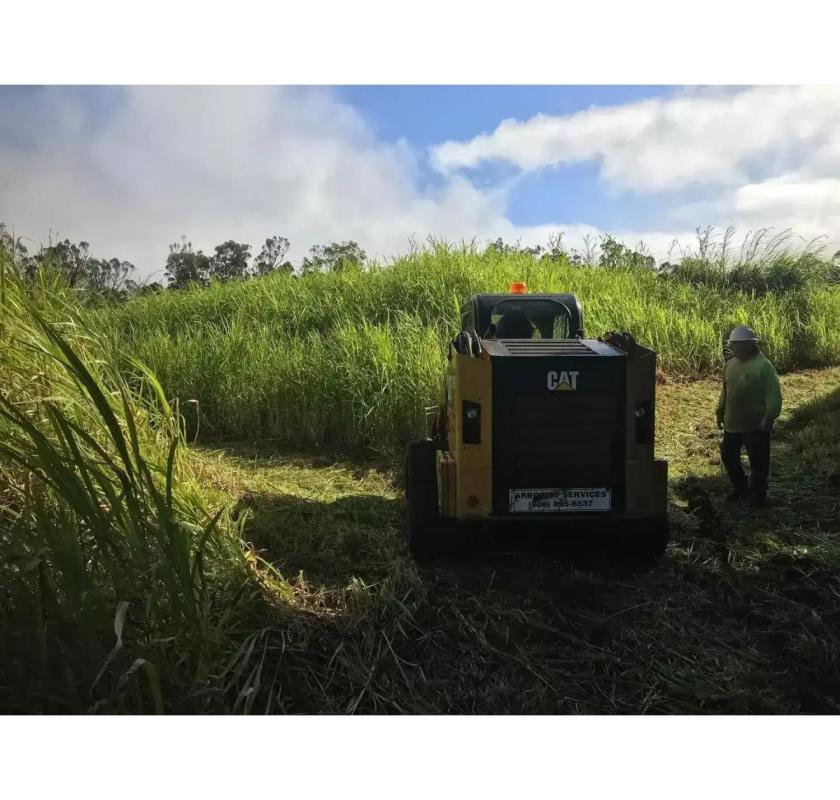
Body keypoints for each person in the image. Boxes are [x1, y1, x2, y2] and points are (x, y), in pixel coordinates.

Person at [716, 326, 782, 508]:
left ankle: (758, 497)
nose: (733, 349)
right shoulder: (730, 365)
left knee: (759, 464)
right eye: (732, 345)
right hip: (733, 424)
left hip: (756, 426)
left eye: (736, 345)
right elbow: (725, 392)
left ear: (748, 345)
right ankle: (740, 489)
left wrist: (769, 416)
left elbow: (774, 395)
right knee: (728, 456)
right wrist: (719, 412)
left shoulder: (764, 366)